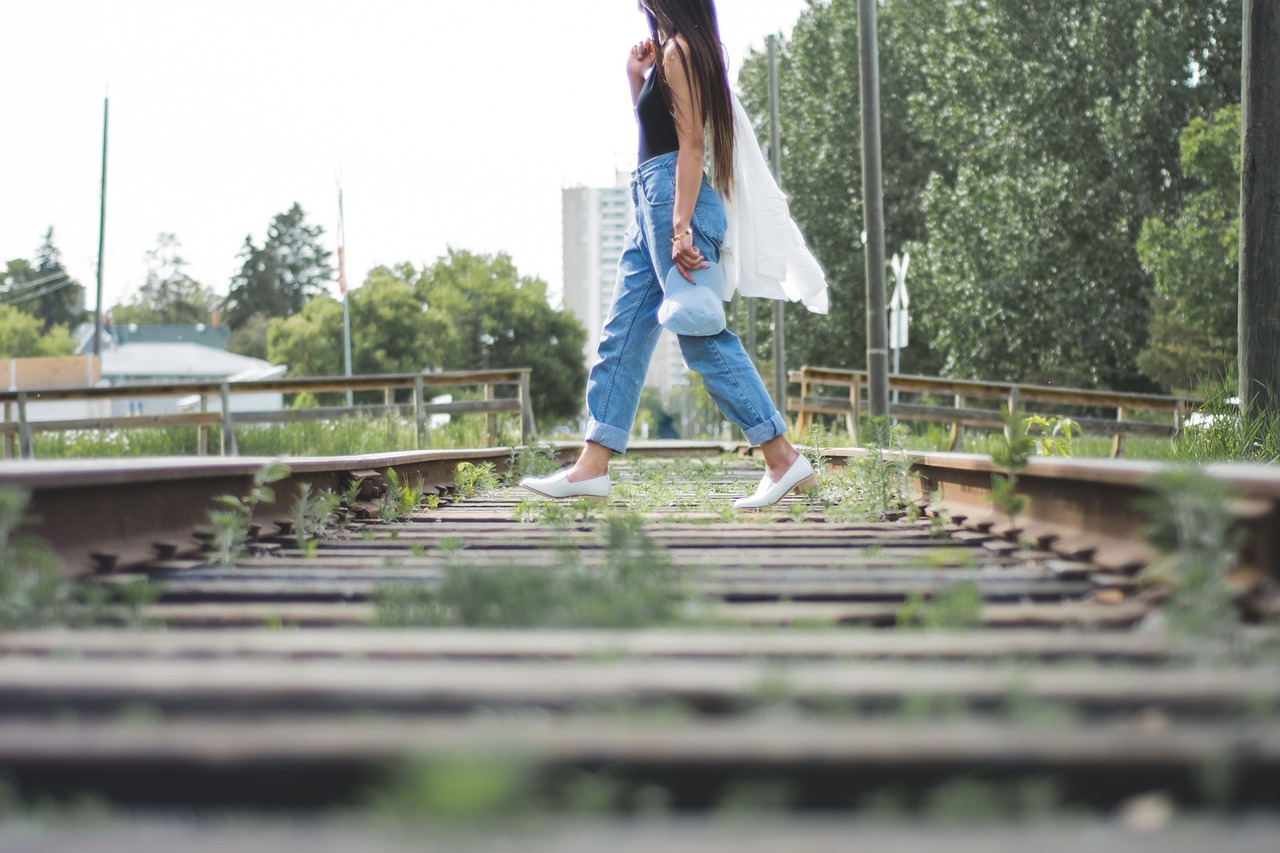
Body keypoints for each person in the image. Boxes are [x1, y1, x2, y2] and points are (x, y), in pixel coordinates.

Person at [522, 0, 816, 509]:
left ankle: (781, 457)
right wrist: (636, 77)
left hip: (672, 204)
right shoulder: (675, 54)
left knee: (700, 332)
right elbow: (656, 133)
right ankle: (591, 466)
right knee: (623, 335)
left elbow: (692, 146)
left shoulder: (682, 53)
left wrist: (680, 229)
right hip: (649, 202)